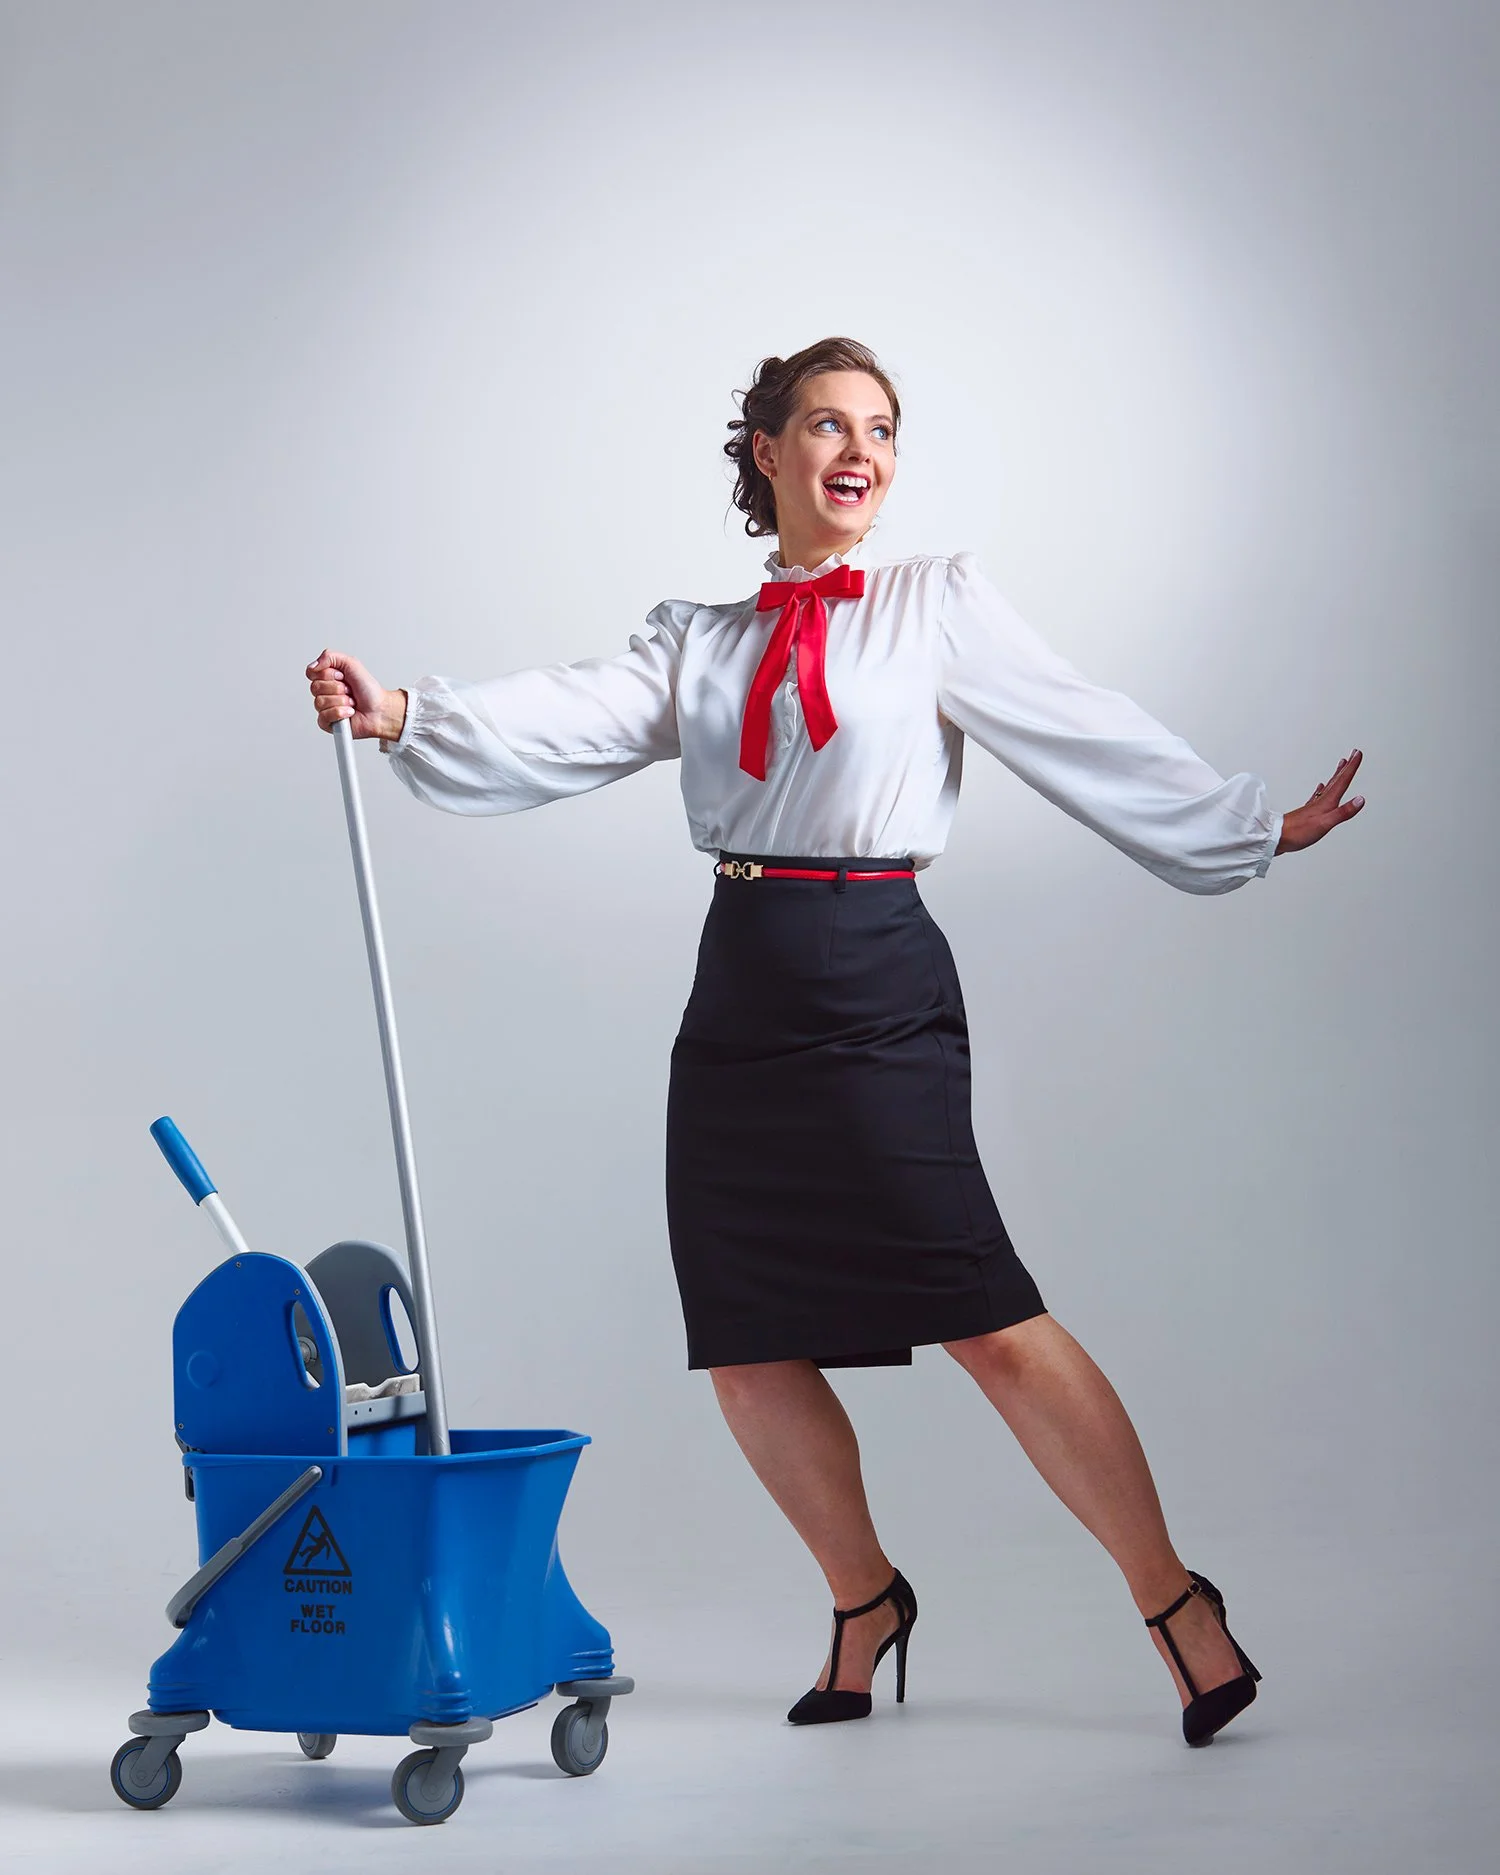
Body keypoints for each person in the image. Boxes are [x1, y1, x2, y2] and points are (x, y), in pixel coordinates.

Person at [306, 336, 1365, 1747]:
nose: (856, 450)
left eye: (879, 427)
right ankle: (864, 1597)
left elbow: (1076, 726)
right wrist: (400, 715)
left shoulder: (934, 604)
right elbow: (574, 712)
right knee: (747, 1340)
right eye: (824, 424)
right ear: (767, 452)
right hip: (740, 988)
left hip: (877, 975)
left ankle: (1173, 1596)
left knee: (986, 1312)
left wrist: (1246, 821)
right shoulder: (701, 637)